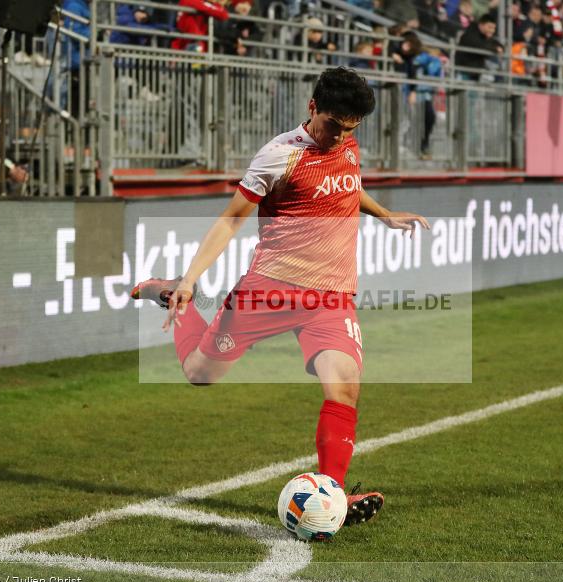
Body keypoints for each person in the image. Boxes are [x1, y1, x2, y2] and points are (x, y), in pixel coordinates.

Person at [131, 67, 429, 527]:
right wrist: (191, 279)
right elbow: (231, 220)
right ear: (313, 109)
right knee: (199, 375)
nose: (340, 136)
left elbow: (348, 188)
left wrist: (385, 214)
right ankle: (172, 292)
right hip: (270, 289)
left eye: (350, 128)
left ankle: (332, 495)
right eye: (333, 125)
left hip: (330, 296)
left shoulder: (346, 143)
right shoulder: (277, 157)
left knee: (345, 386)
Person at [454, 13, 501, 80]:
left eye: (494, 28)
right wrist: (495, 49)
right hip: (464, 71)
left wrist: (500, 47)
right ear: (481, 25)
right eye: (489, 27)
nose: (492, 31)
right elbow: (480, 45)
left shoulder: (485, 35)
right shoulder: (470, 33)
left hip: (475, 73)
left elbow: (496, 43)